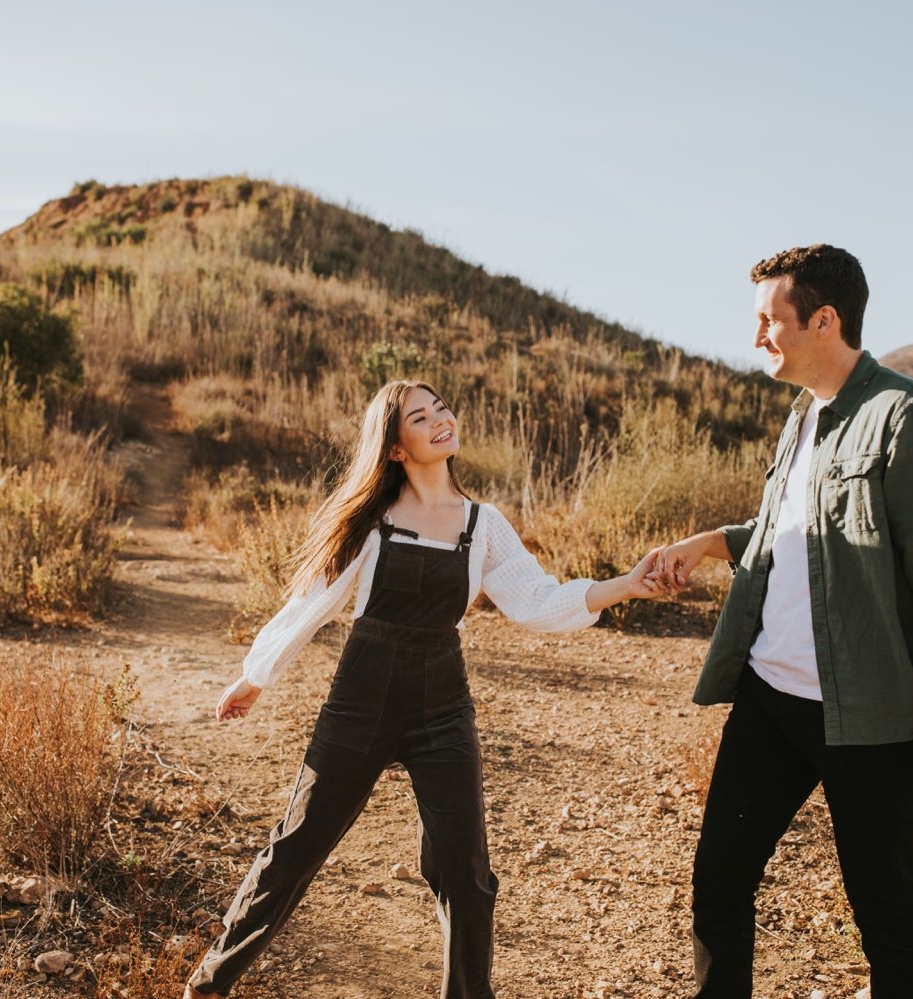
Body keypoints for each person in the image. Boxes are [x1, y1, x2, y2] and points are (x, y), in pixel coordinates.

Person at [184, 379, 666, 998]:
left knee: (466, 874)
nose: (441, 420)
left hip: (443, 705)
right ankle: (210, 984)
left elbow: (538, 599)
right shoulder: (373, 521)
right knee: (297, 848)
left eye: (442, 408)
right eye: (420, 417)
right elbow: (314, 603)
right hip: (362, 699)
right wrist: (256, 676)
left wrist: (623, 585)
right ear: (394, 448)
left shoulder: (483, 525)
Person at [654, 245, 913, 998]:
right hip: (771, 700)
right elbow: (795, 530)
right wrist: (711, 543)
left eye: (770, 321)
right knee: (719, 883)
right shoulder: (802, 418)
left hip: (868, 717)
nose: (757, 338)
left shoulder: (911, 419)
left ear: (824, 319)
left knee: (886, 912)